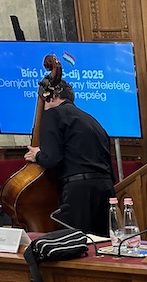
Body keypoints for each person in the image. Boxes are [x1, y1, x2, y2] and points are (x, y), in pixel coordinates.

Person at [23, 80, 115, 236]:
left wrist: (37, 155)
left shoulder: (53, 114)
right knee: (103, 243)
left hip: (79, 192)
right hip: (106, 188)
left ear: (52, 97)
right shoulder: (91, 120)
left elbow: (52, 159)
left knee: (73, 242)